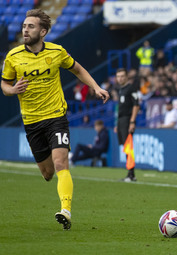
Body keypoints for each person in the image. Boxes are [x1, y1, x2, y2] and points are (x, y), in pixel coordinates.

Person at [0, 9, 110, 230]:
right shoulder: (13, 57)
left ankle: (66, 211)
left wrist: (96, 87)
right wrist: (12, 90)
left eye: (30, 26)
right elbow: (4, 85)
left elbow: (77, 69)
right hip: (31, 120)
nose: (25, 30)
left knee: (61, 163)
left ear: (43, 31)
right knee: (48, 173)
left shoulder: (57, 51)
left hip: (56, 115)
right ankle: (60, 195)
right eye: (24, 26)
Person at [114, 68, 140, 182]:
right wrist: (117, 123)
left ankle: (131, 174)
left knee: (128, 146)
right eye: (118, 76)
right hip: (121, 121)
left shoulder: (131, 88)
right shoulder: (121, 89)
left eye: (122, 76)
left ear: (126, 77)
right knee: (126, 147)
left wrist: (132, 121)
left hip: (127, 120)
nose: (120, 78)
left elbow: (136, 104)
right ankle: (130, 173)